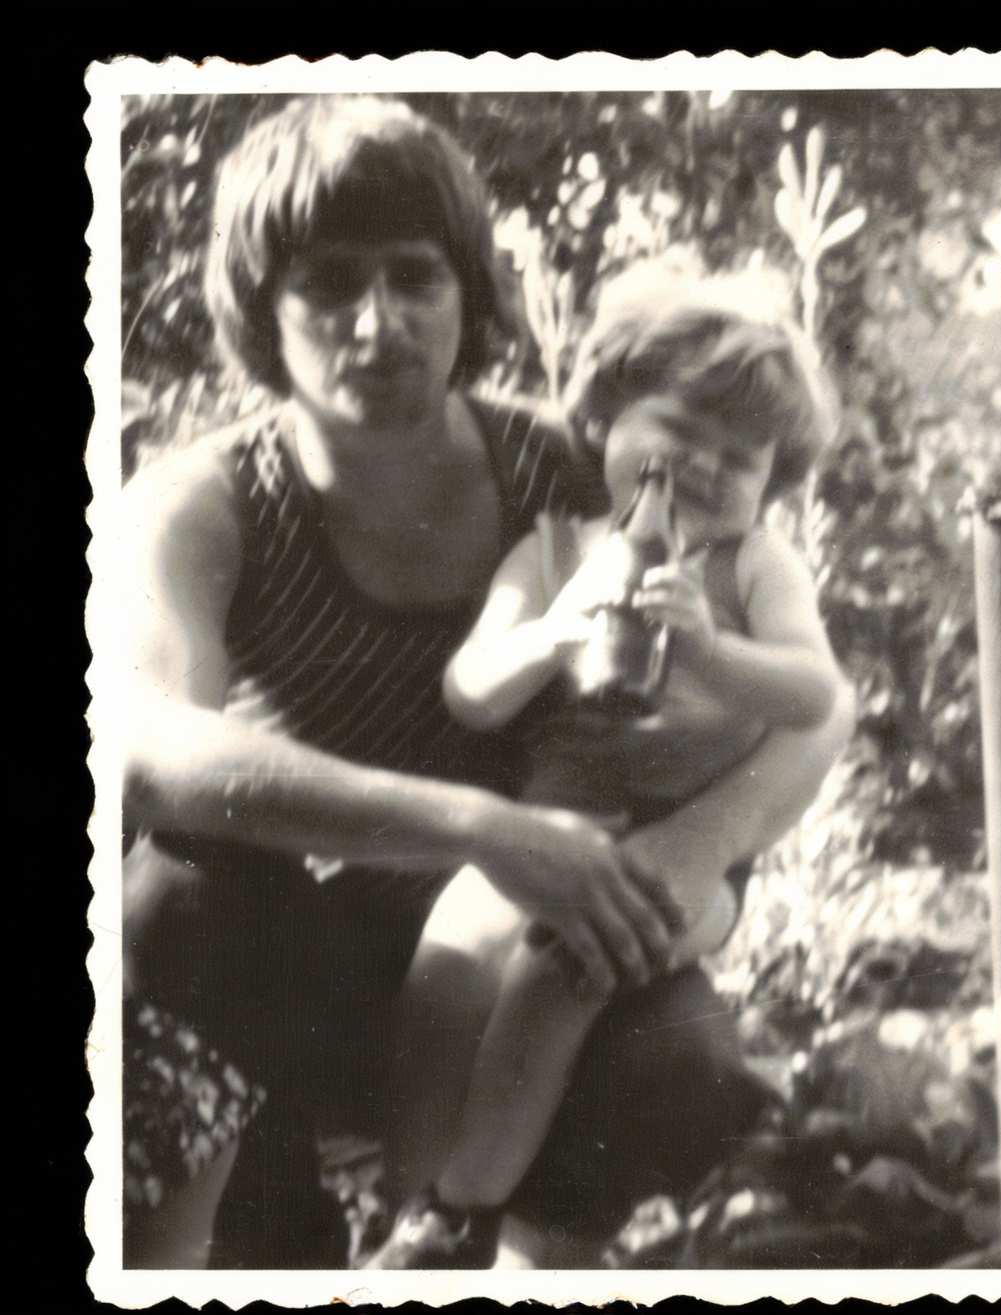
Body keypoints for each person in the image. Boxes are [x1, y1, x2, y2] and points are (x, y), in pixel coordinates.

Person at [120, 97, 853, 1269]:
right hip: (304, 971)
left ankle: (481, 1253)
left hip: (523, 953)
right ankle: (257, 1230)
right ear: (262, 309)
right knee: (177, 899)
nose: (379, 324)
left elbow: (823, 708)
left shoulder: (568, 470)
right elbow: (151, 752)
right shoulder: (207, 502)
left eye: (416, 276)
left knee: (679, 1060)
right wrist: (480, 827)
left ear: (467, 292)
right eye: (330, 284)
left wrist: (694, 848)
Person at [364, 263, 841, 1268]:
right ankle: (401, 1206)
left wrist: (711, 647)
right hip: (546, 828)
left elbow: (813, 691)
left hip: (682, 861)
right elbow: (471, 688)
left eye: (741, 459)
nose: (704, 469)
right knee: (450, 961)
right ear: (607, 417)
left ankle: (459, 1212)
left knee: (563, 969)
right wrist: (549, 635)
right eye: (681, 433)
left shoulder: (753, 567)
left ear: (771, 485)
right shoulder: (553, 550)